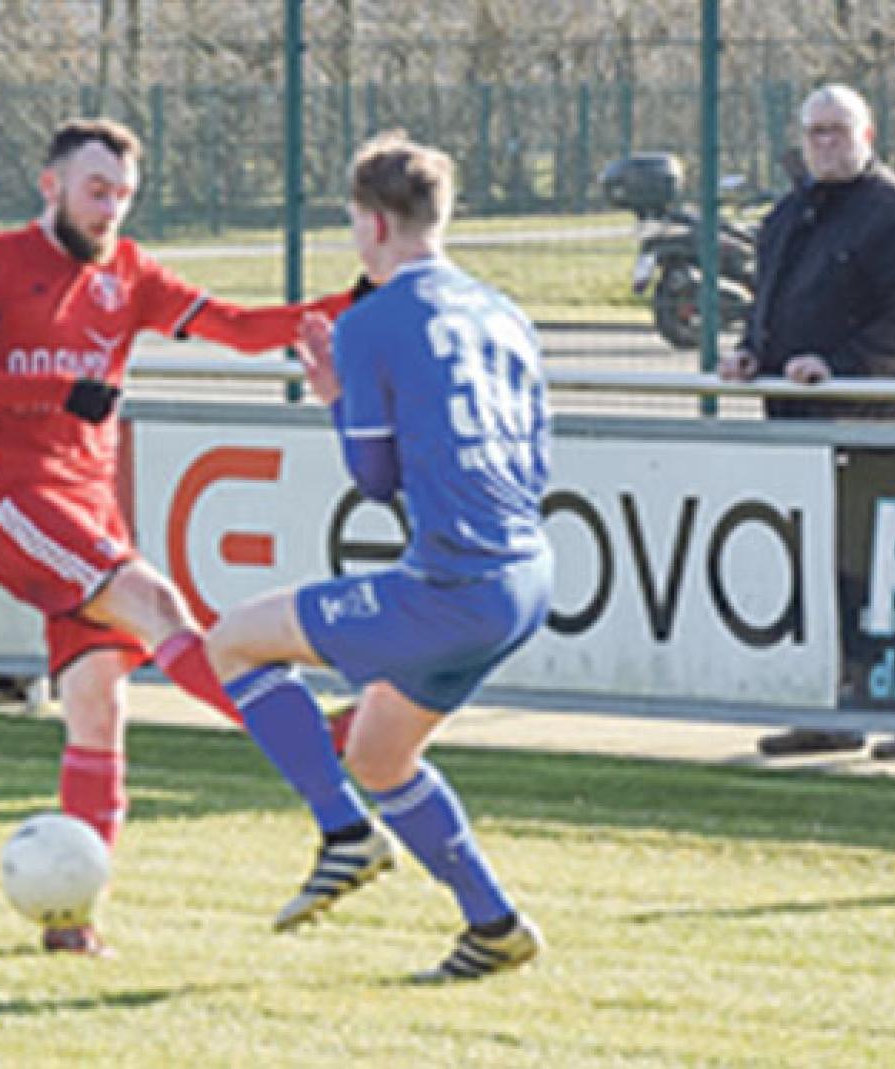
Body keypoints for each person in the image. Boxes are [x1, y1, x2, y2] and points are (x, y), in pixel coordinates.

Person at [0, 117, 361, 955]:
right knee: (160, 605)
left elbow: (239, 327)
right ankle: (316, 737)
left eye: (123, 194)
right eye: (96, 190)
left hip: (90, 507)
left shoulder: (130, 271)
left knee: (98, 707)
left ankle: (71, 922)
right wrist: (56, 392)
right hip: (14, 502)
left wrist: (356, 303)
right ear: (50, 185)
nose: (110, 207)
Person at [206, 131, 553, 982]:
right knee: (378, 756)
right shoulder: (505, 313)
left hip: (453, 585)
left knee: (234, 641)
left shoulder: (370, 322)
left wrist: (336, 397)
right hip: (528, 574)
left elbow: (373, 477)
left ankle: (343, 831)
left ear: (372, 224)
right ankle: (494, 926)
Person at [719, 83, 895, 761]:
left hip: (877, 424)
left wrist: (841, 367)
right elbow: (769, 301)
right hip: (799, 426)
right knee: (820, 575)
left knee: (884, 572)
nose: (825, 144)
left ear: (867, 136)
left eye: (838, 131)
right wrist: (752, 352)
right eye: (815, 132)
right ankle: (830, 708)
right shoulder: (788, 214)